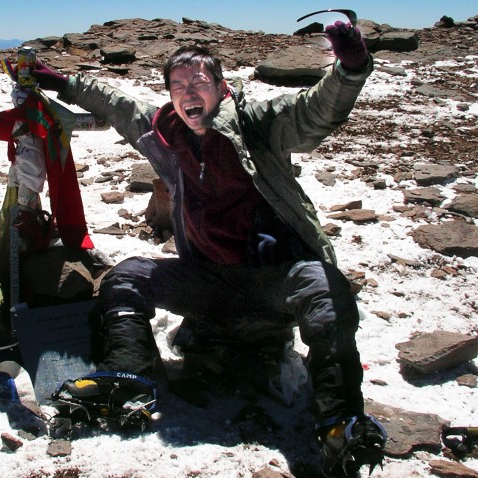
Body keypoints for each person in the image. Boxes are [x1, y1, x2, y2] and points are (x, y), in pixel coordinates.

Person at [34, 20, 386, 477]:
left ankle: (340, 422)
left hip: (275, 282)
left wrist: (351, 66)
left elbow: (314, 110)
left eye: (199, 81)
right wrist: (62, 82)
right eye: (177, 85)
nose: (187, 91)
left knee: (326, 287)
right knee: (127, 277)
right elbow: (118, 105)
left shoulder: (259, 123)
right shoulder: (166, 132)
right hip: (210, 287)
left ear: (222, 89)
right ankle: (129, 376)